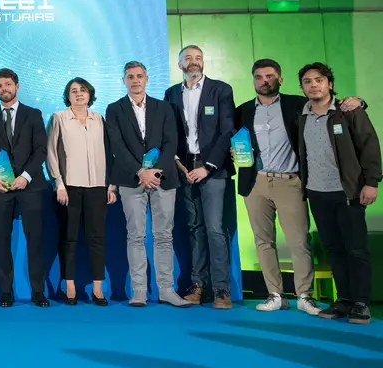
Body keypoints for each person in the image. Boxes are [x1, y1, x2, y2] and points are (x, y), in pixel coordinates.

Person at [236, 59, 363, 314]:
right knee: (263, 241)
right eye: (259, 77)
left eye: (270, 76)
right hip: (255, 182)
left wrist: (359, 102)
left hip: (290, 181)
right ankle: (275, 294)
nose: (264, 81)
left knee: (298, 241)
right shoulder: (243, 110)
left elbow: (328, 104)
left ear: (280, 80)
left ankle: (305, 295)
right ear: (253, 81)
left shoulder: (297, 104)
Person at [297, 62, 381, 325]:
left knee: (355, 249)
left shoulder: (349, 111)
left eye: (319, 80)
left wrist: (372, 182)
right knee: (334, 249)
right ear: (302, 87)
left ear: (330, 84)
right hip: (317, 192)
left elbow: (370, 145)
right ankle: (343, 300)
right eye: (308, 81)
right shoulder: (302, 115)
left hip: (348, 192)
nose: (314, 85)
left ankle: (361, 303)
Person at [106, 61, 191, 307]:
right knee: (135, 236)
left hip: (163, 179)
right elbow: (117, 145)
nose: (135, 80)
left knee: (164, 236)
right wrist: (140, 171)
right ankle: (139, 291)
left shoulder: (164, 108)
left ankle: (166, 290)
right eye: (130, 76)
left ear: (147, 79)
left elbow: (170, 142)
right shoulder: (114, 109)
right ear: (124, 80)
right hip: (130, 179)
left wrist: (154, 172)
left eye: (139, 76)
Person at [164, 45, 235, 309]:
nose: (194, 62)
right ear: (179, 64)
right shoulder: (171, 93)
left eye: (198, 58)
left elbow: (227, 130)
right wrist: (177, 162)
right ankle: (197, 285)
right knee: (194, 228)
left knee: (215, 228)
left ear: (203, 62)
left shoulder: (221, 89)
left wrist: (208, 166)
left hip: (212, 169)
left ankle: (221, 290)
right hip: (184, 168)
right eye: (188, 59)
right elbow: (169, 132)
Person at [0, 68, 49, 308]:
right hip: (0, 188)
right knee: (1, 240)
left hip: (30, 186)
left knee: (35, 240)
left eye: (8, 84)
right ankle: (5, 293)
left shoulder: (33, 114)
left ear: (17, 86)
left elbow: (41, 149)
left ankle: (38, 292)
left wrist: (26, 176)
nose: (4, 89)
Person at [46, 77, 117, 306]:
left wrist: (111, 186)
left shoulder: (99, 119)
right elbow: (51, 154)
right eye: (74, 91)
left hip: (98, 186)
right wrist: (58, 183)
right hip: (69, 188)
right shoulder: (59, 118)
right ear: (68, 95)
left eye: (83, 90)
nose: (79, 94)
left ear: (90, 94)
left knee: (97, 238)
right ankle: (70, 286)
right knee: (70, 239)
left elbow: (109, 153)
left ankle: (98, 288)